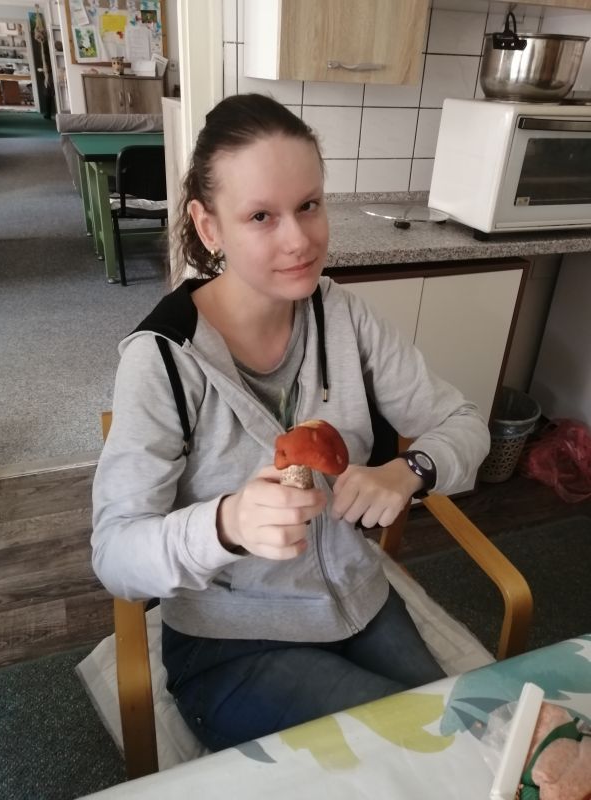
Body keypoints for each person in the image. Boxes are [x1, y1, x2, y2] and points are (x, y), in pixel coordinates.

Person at [92, 92, 490, 753]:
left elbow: (465, 422)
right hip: (231, 643)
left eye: (309, 205)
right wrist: (226, 524)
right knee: (420, 749)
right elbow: (115, 556)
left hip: (358, 603)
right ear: (209, 226)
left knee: (470, 736)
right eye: (261, 216)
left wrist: (409, 470)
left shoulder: (346, 318)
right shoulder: (161, 361)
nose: (300, 240)